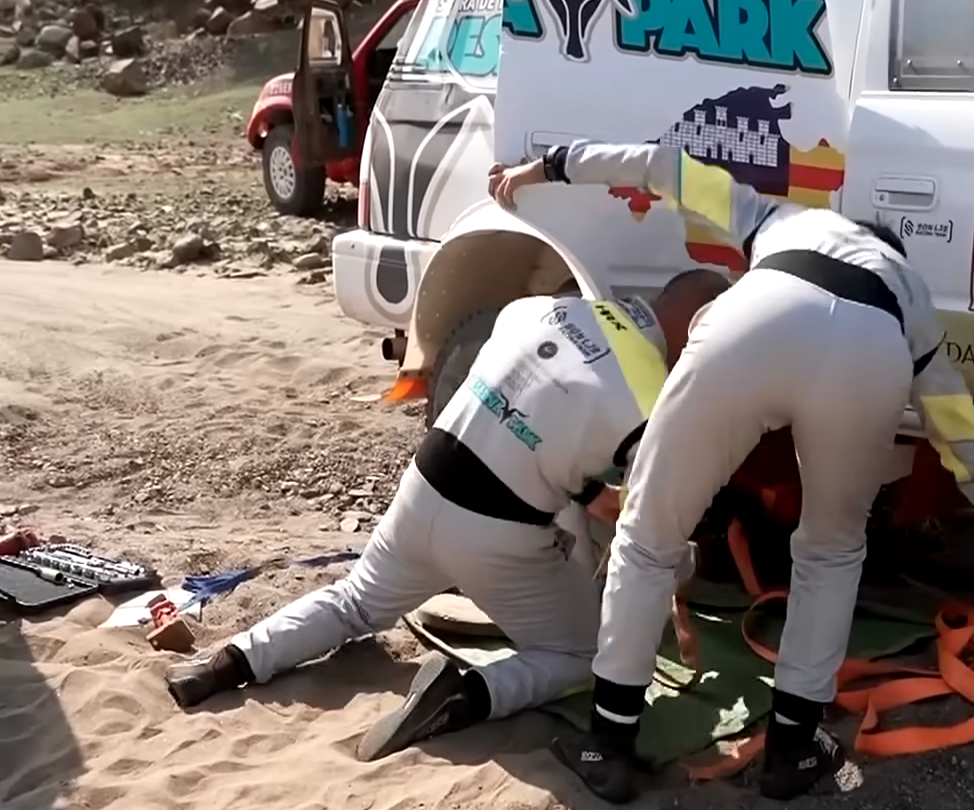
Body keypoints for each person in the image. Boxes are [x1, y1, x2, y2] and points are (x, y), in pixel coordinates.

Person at [489, 141, 974, 803]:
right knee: (831, 552)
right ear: (893, 258)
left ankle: (610, 742)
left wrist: (543, 168)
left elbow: (662, 166)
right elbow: (969, 447)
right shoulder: (912, 306)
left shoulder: (778, 219)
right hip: (872, 354)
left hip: (760, 319)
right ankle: (794, 750)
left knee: (649, 533)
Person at [165, 273, 731, 761]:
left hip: (423, 488)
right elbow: (654, 525)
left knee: (355, 602)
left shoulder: (547, 310)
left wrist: (584, 491)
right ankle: (467, 695)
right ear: (697, 336)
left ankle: (226, 663)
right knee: (583, 655)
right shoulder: (651, 399)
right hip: (496, 535)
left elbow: (537, 413)